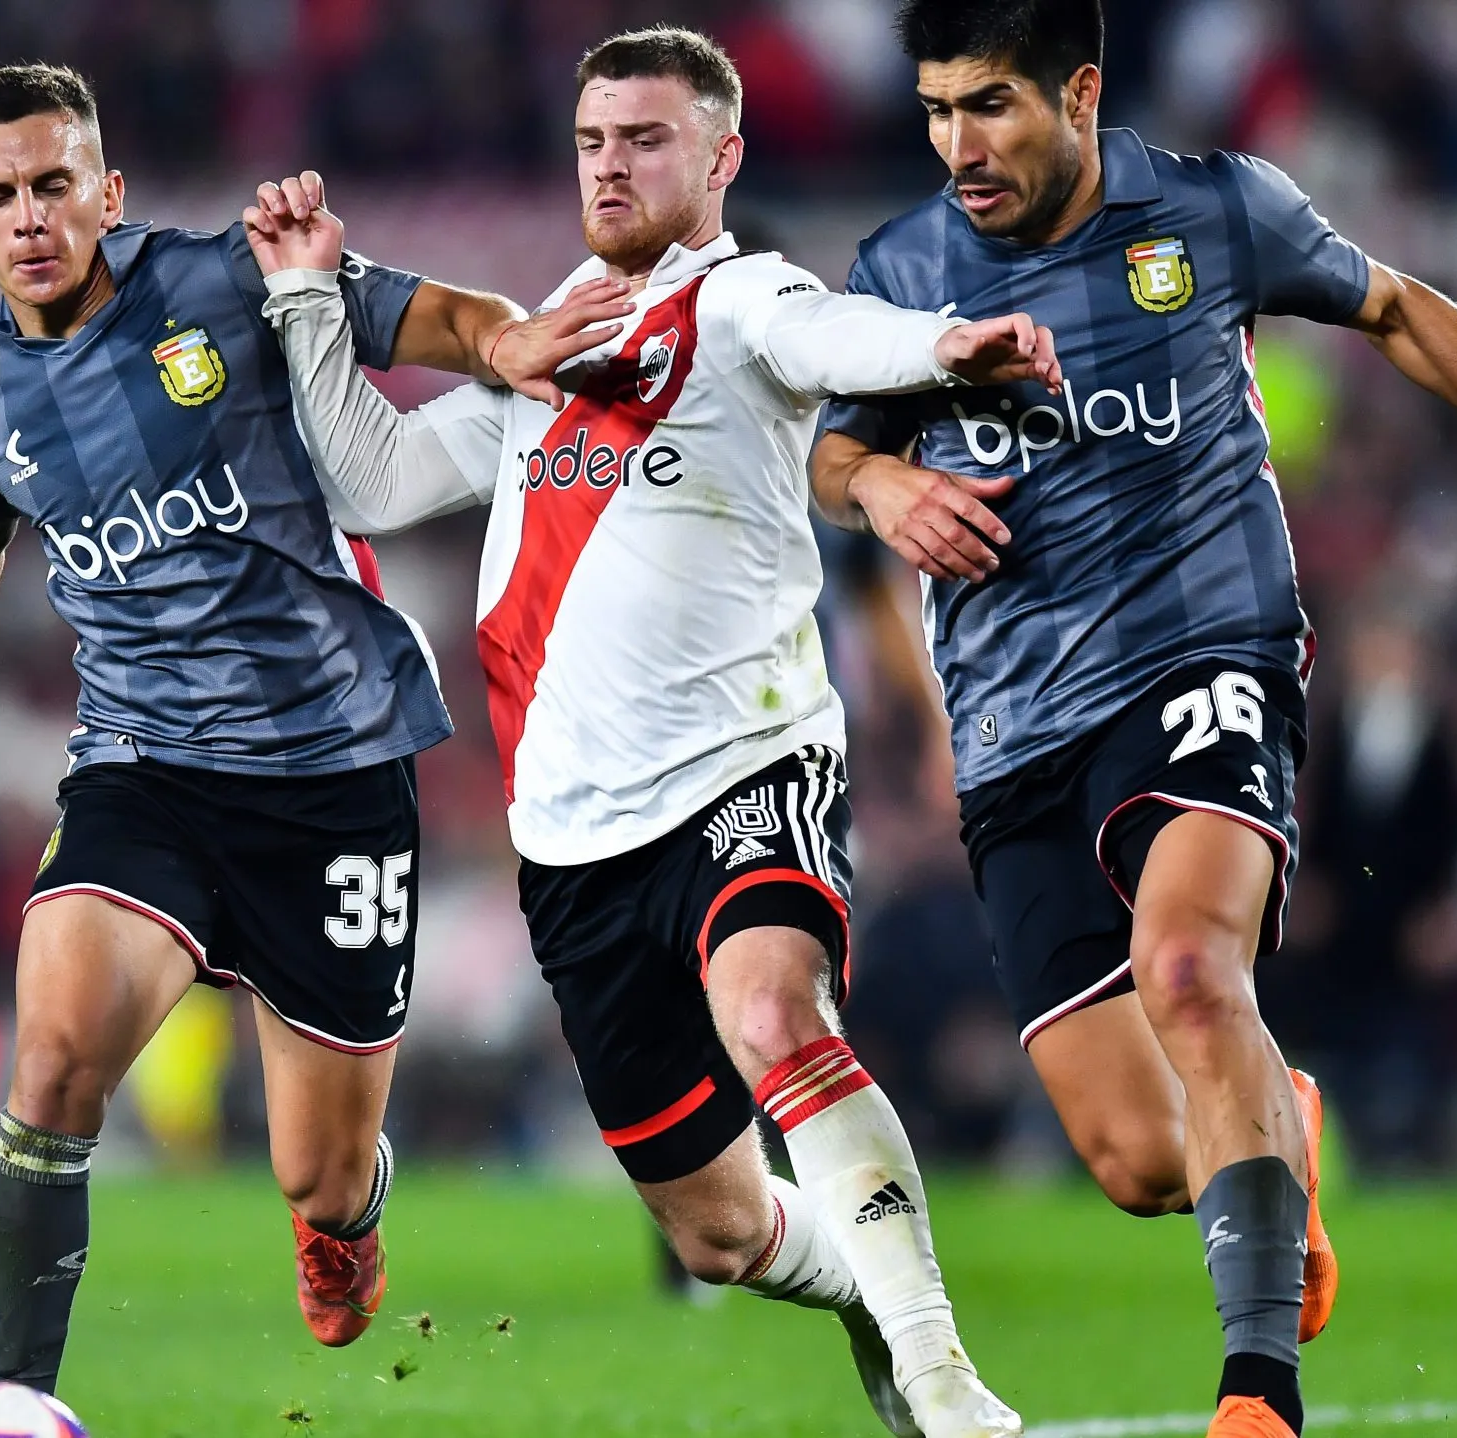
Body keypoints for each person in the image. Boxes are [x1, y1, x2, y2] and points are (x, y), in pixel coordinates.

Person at [809, 4, 1457, 1436]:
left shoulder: (1209, 211)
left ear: (1079, 93)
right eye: (939, 109)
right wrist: (883, 489)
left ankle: (1257, 1390)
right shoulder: (900, 270)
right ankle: (1287, 1118)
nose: (961, 145)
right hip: (1015, 729)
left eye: (994, 107)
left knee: (1191, 969)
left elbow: (1391, 302)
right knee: (1142, 1157)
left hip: (1205, 656)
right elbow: (835, 447)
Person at [244, 27, 1062, 1438]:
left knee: (771, 1012)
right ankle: (866, 1284)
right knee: (720, 1233)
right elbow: (375, 485)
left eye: (646, 139)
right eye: (592, 141)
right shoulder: (543, 340)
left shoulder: (738, 298)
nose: (612, 165)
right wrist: (310, 301)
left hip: (747, 766)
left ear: (721, 157)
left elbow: (832, 333)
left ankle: (945, 1384)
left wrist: (943, 350)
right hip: (571, 837)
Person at [0, 63, 623, 1394]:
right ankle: (15, 1407)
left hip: (335, 767)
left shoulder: (214, 282)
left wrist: (506, 344)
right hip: (144, 764)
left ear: (107, 191)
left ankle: (342, 1222)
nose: (29, 216)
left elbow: (410, 308)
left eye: (52, 185)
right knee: (57, 1064)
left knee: (317, 1167)